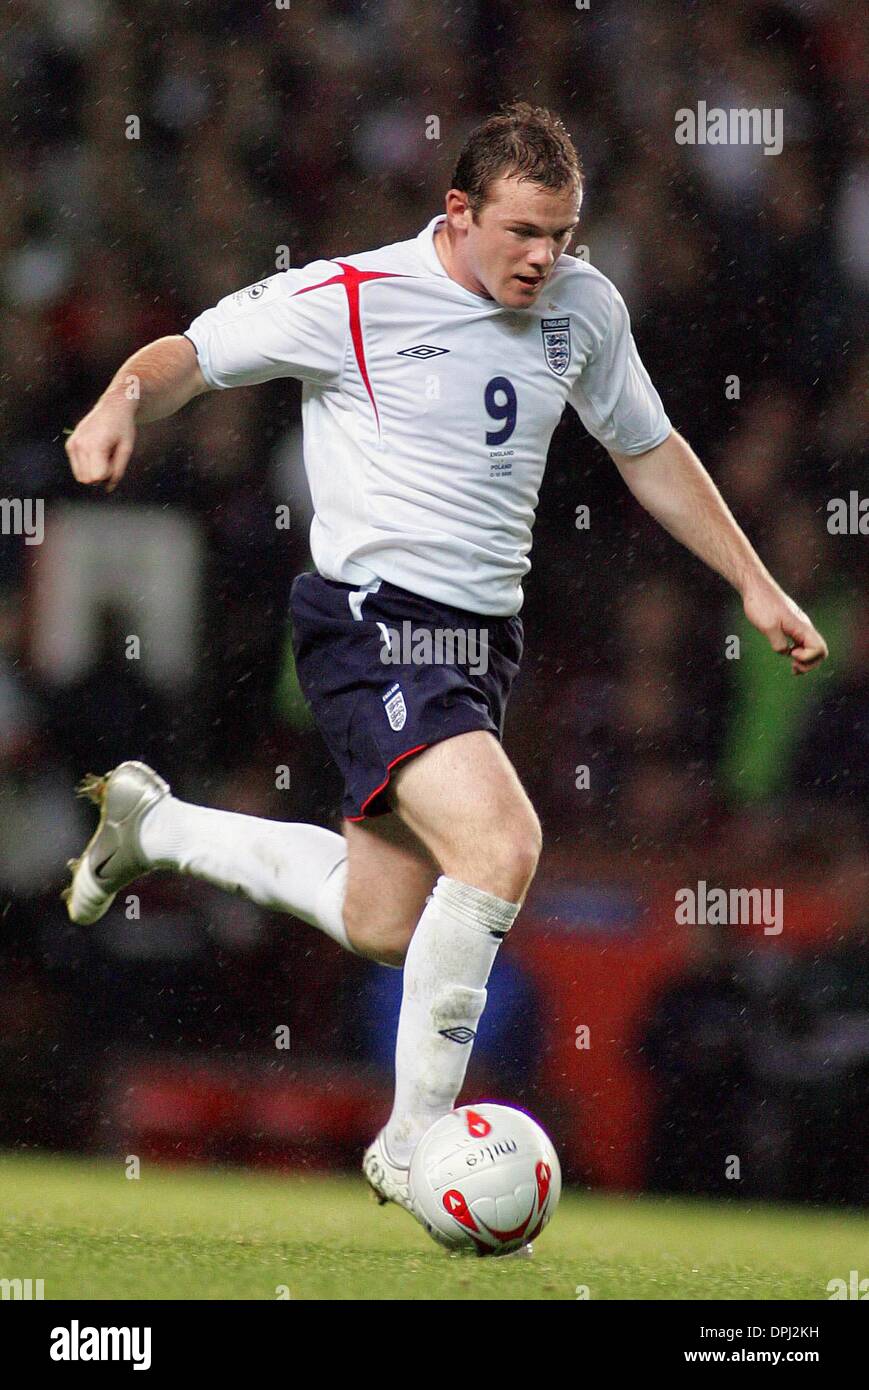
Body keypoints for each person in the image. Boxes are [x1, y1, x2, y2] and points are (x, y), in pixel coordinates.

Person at [62, 102, 828, 1247]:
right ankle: (412, 1135)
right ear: (457, 211)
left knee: (385, 921)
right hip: (370, 623)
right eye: (522, 231)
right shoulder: (351, 297)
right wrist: (121, 398)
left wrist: (752, 583)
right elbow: (192, 355)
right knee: (503, 846)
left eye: (562, 235)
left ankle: (154, 826)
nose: (543, 257)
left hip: (476, 647)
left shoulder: (580, 306)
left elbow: (648, 448)